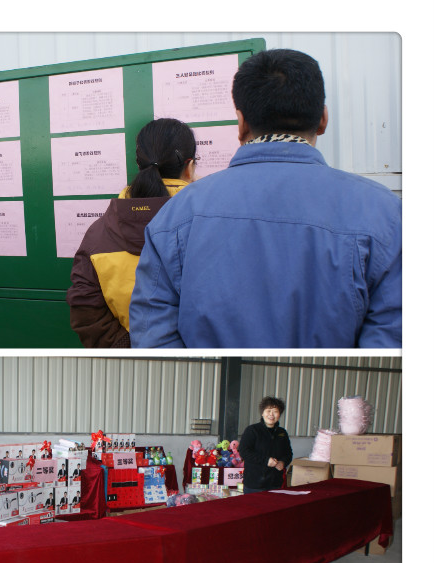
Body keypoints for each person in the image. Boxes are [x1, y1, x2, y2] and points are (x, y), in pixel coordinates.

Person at [129, 48, 402, 350]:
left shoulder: (175, 216)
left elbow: (154, 339)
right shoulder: (385, 214)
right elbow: (393, 342)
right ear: (323, 119)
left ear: (241, 123)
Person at [67, 118, 196, 348]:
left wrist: (131, 345)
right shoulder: (211, 224)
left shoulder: (98, 233)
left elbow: (85, 309)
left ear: (139, 164)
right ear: (190, 166)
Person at [238, 397, 293, 494]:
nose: (271, 414)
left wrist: (283, 462)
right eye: (268, 411)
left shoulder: (282, 433)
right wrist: (266, 460)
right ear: (262, 413)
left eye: (275, 411)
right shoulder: (252, 430)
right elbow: (244, 451)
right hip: (254, 484)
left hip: (276, 483)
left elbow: (288, 453)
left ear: (279, 414)